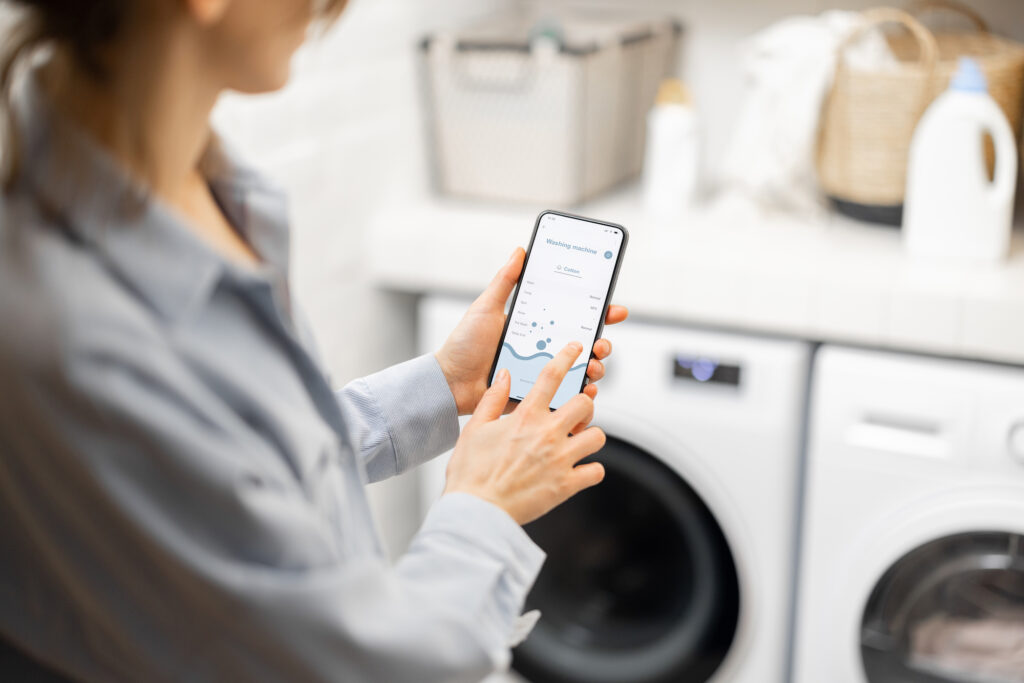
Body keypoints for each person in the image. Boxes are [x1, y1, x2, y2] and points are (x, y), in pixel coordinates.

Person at [0, 1, 628, 681]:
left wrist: (443, 384)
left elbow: (238, 474)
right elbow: (362, 665)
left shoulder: (207, 183)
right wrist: (484, 504)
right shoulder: (72, 337)